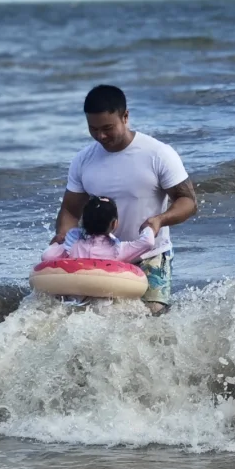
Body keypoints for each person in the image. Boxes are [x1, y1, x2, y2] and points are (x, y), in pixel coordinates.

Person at [51, 84, 197, 313]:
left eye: (108, 128)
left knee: (153, 316)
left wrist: (160, 220)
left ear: (125, 116)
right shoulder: (83, 160)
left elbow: (188, 201)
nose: (100, 136)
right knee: (88, 320)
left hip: (150, 255)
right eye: (93, 129)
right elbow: (71, 211)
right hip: (98, 256)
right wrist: (62, 236)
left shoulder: (158, 154)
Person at [38, 195, 160, 266]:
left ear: (83, 223)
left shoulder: (72, 247)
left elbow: (47, 256)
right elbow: (148, 242)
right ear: (114, 224)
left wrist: (55, 244)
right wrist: (148, 228)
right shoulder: (117, 250)